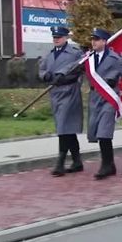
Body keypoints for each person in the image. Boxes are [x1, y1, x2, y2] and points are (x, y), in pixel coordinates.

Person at [86, 28, 122, 180]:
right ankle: (111, 165)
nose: (93, 42)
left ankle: (106, 165)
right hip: (95, 98)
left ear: (104, 41)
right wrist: (61, 75)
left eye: (96, 39)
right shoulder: (88, 58)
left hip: (109, 99)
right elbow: (75, 69)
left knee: (104, 132)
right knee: (97, 132)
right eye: (92, 39)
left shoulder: (114, 59)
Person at [38, 26, 84, 177]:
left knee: (63, 126)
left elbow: (80, 69)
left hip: (69, 92)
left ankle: (60, 162)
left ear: (66, 38)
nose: (56, 39)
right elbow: (42, 70)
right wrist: (46, 76)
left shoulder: (75, 53)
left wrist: (65, 77)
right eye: (54, 37)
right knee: (66, 128)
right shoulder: (50, 55)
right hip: (55, 94)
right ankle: (77, 161)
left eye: (59, 37)